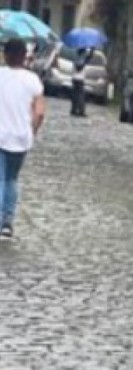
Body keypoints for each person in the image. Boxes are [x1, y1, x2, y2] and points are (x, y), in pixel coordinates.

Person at [0, 37, 45, 240]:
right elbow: (40, 113)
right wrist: (31, 132)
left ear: (5, 55)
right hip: (21, 138)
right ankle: (7, 222)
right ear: (24, 56)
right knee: (11, 179)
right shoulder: (33, 80)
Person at [70, 47, 94, 117]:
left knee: (75, 95)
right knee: (80, 96)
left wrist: (92, 51)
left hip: (76, 78)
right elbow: (79, 68)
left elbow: (89, 57)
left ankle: (74, 109)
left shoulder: (78, 57)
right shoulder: (79, 58)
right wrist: (85, 61)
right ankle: (81, 111)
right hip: (78, 78)